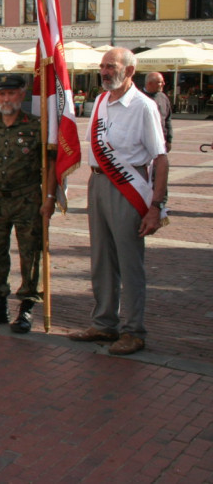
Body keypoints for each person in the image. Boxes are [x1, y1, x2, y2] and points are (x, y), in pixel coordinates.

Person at [69, 48, 168, 356]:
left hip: (128, 187)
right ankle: (104, 322)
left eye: (111, 66)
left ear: (130, 71)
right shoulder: (100, 101)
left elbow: (160, 158)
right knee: (101, 258)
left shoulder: (143, 106)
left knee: (129, 261)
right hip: (98, 183)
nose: (105, 71)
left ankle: (134, 330)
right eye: (102, 66)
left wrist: (155, 206)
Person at [0, 74, 57, 334]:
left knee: (31, 254)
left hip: (27, 199)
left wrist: (50, 198)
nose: (6, 99)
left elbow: (52, 165)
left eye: (11, 94)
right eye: (1, 94)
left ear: (22, 94)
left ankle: (27, 308)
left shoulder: (37, 127)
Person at [143, 72, 172, 152]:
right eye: (160, 82)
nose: (164, 84)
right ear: (150, 83)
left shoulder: (163, 97)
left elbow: (167, 120)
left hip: (161, 140)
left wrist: (169, 140)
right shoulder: (138, 97)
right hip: (143, 143)